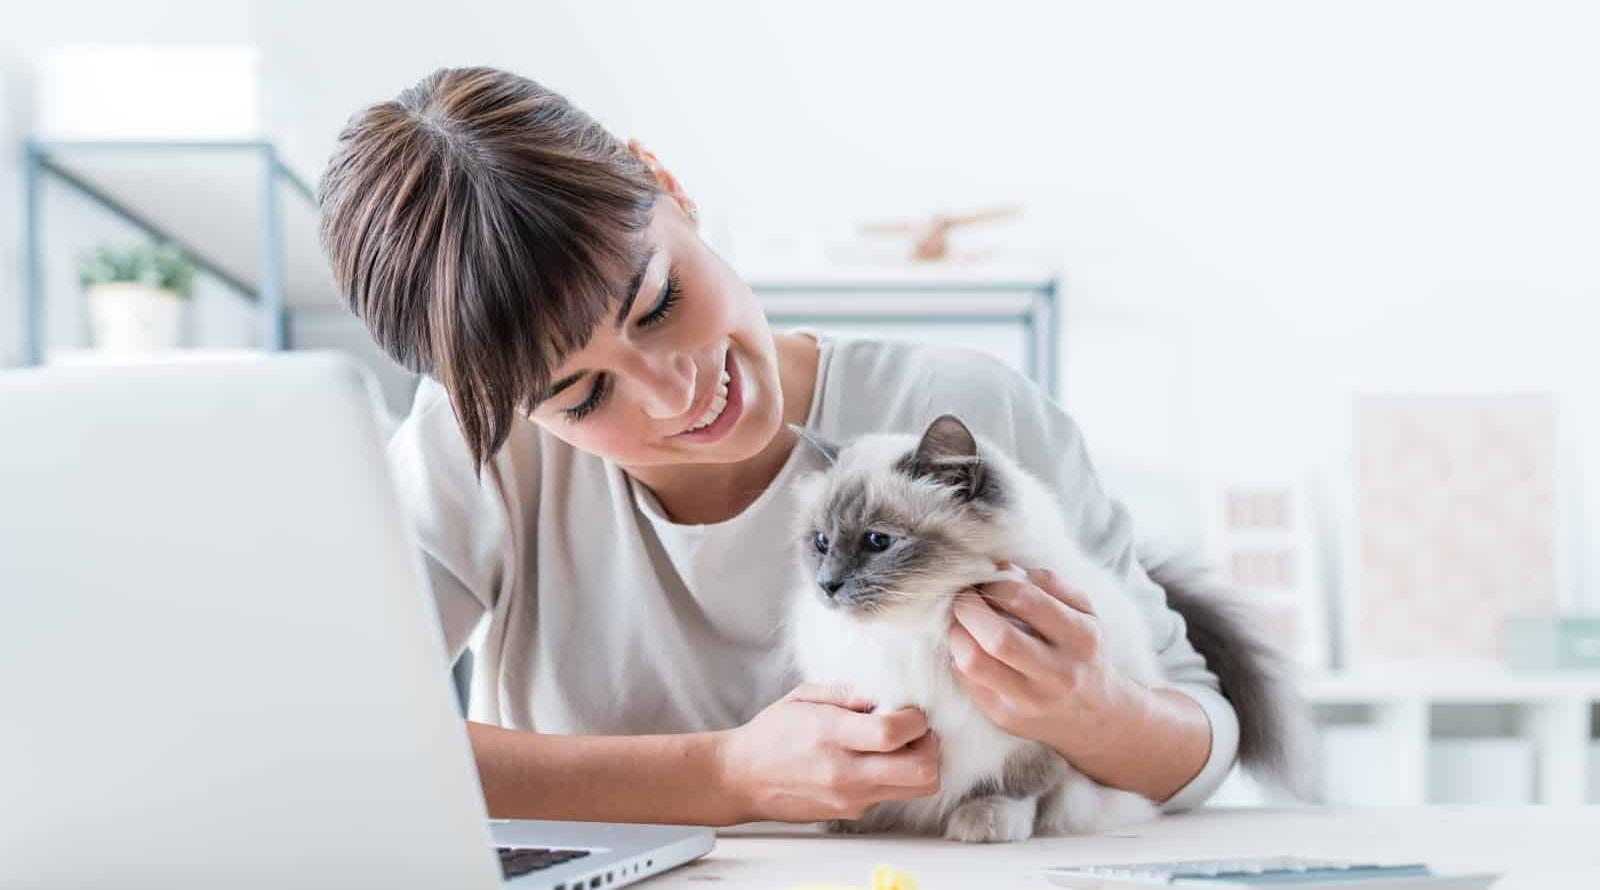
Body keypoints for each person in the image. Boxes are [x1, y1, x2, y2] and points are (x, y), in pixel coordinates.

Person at [315, 66, 1239, 827]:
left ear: (667, 185)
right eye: (583, 394)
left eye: (660, 303)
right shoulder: (476, 450)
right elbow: (348, 746)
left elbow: (1202, 752)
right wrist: (721, 774)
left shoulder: (950, 409)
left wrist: (1091, 709)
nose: (677, 391)